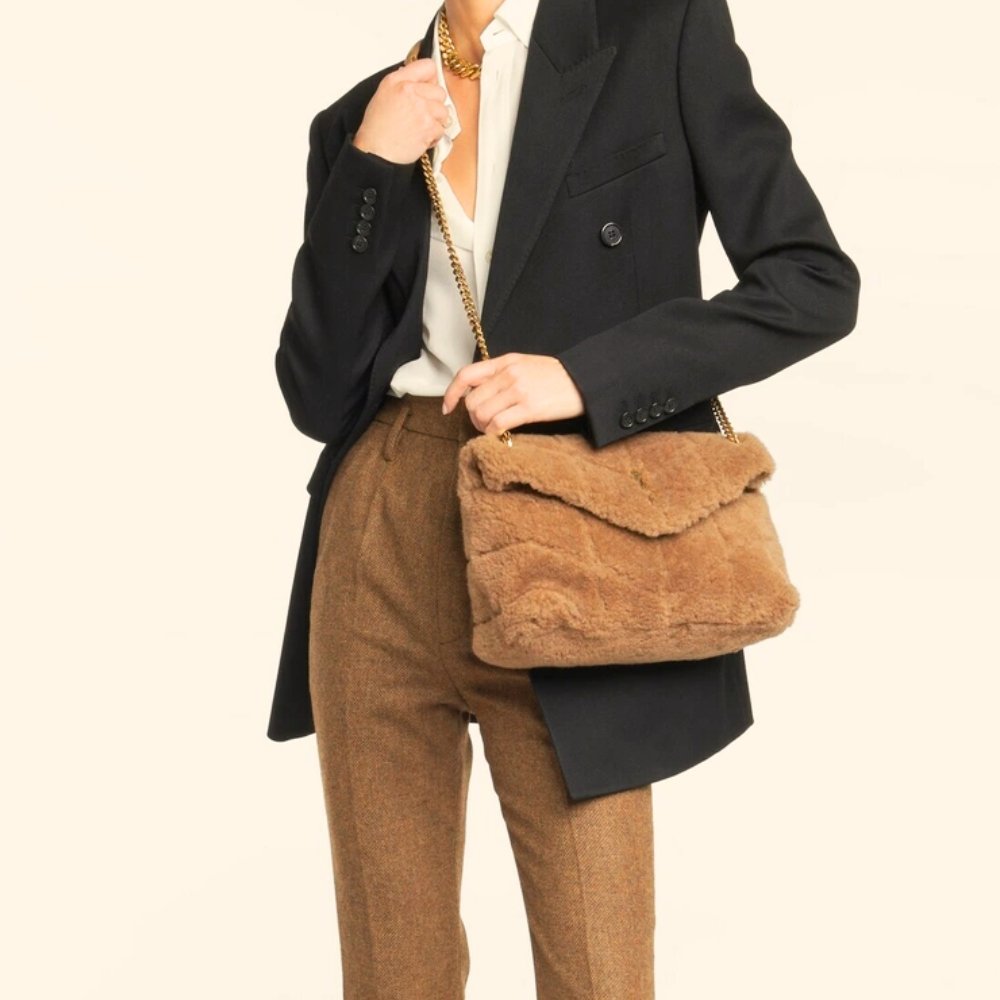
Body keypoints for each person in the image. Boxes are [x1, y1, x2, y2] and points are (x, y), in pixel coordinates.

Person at [270, 0, 861, 996]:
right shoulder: (360, 117)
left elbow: (811, 282)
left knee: (598, 967)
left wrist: (586, 377)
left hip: (570, 525)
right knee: (390, 972)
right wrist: (370, 166)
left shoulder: (657, 30)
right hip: (378, 534)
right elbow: (317, 393)